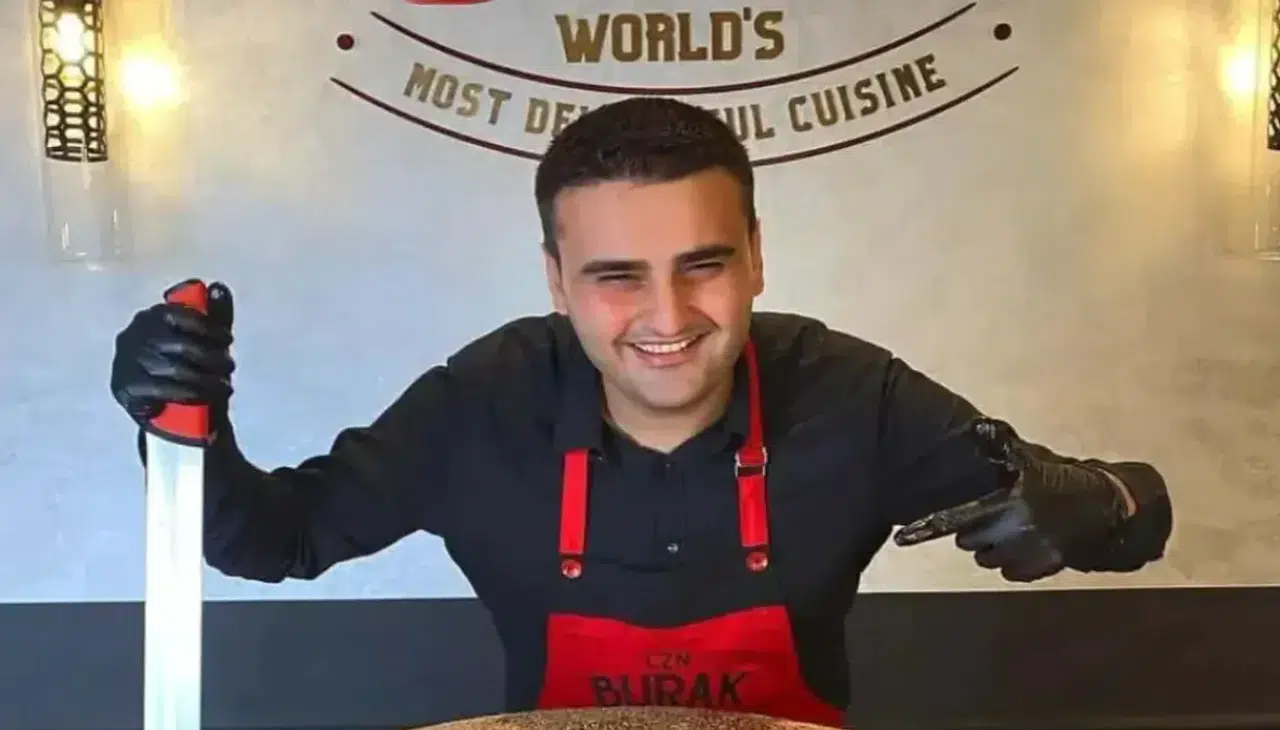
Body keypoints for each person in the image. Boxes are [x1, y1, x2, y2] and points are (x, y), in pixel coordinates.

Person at [110, 97, 1173, 728]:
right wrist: (175, 422)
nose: (667, 317)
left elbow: (1137, 514)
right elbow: (272, 540)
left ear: (755, 256)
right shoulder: (483, 403)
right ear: (555, 279)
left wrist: (1099, 503)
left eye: (703, 265)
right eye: (616, 275)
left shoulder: (854, 393)